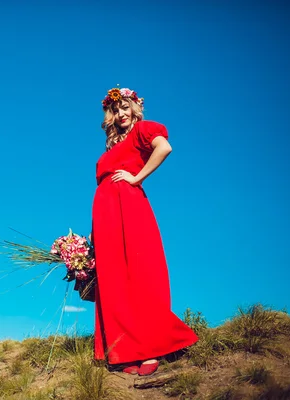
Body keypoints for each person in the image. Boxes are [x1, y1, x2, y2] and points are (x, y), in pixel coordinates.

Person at [88, 87, 198, 376]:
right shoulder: (112, 146)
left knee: (139, 272)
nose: (121, 114)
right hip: (105, 213)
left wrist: (137, 177)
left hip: (130, 205)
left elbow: (164, 148)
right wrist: (92, 232)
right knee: (114, 279)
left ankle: (152, 348)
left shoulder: (144, 130)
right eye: (115, 110)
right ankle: (127, 352)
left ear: (135, 108)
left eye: (125, 107)